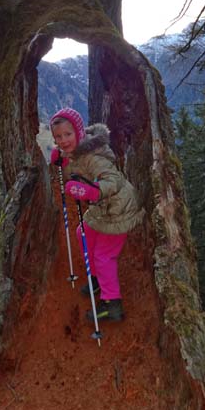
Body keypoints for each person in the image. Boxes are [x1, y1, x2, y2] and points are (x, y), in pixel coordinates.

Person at [49, 107, 143, 322]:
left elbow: (113, 180)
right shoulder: (74, 151)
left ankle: (112, 304)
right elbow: (74, 166)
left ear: (79, 133)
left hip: (118, 208)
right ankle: (98, 279)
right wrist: (62, 161)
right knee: (83, 232)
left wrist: (92, 191)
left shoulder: (94, 157)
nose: (63, 141)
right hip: (103, 207)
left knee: (104, 255)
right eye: (58, 137)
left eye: (68, 134)